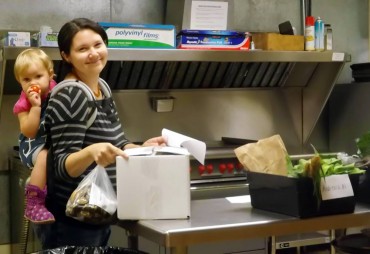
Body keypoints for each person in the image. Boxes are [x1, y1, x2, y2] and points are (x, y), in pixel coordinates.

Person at [33, 18, 166, 249]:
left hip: (96, 214)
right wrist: (92, 152)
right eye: (82, 49)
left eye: (98, 45)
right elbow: (63, 166)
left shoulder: (101, 87)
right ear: (66, 56)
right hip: (72, 223)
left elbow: (118, 141)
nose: (93, 53)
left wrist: (141, 147)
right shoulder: (71, 95)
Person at [13, 48, 56, 224]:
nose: (33, 83)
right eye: (26, 79)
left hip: (52, 140)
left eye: (38, 76)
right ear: (19, 81)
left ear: (50, 75)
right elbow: (28, 131)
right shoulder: (24, 103)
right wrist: (35, 107)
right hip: (32, 143)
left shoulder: (58, 89)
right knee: (45, 155)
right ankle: (33, 202)